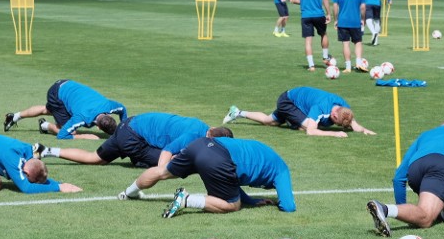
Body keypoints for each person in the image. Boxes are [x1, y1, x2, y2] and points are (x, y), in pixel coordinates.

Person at [118, 136, 296, 217]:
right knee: (233, 205)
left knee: (162, 171)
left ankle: (129, 192)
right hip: (219, 159)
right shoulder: (282, 171)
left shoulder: (268, 155)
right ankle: (187, 200)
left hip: (202, 144)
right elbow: (288, 206)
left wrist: (251, 200)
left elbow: (232, 180)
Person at [40, 113, 232, 168]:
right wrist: (161, 172)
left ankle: (48, 151)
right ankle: (139, 161)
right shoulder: (194, 136)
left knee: (96, 158)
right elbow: (167, 152)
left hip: (130, 124)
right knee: (178, 162)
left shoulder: (201, 125)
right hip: (133, 137)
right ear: (211, 137)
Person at [222, 86, 375, 138]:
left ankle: (237, 112)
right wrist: (335, 134)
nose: (339, 126)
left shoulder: (343, 107)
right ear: (334, 115)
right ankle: (292, 121)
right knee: (308, 125)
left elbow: (353, 123)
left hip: (297, 102)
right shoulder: (321, 108)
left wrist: (364, 130)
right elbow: (310, 132)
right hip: (288, 101)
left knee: (270, 121)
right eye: (338, 123)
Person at [4, 79, 127, 140]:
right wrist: (85, 136)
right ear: (98, 128)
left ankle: (14, 116)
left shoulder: (110, 105)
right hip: (57, 95)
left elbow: (123, 109)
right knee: (71, 131)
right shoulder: (82, 117)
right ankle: (45, 126)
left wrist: (123, 126)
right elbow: (62, 135)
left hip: (67, 84)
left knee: (46, 110)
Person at [290, 0, 334, 71]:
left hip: (306, 16)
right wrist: (328, 13)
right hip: (319, 14)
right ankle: (325, 57)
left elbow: (294, 0)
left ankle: (311, 66)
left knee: (308, 41)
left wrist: (304, 1)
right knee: (323, 34)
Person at [331, 0, 368, 73]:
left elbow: (335, 6)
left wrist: (336, 19)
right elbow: (363, 7)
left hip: (343, 21)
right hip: (355, 21)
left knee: (346, 43)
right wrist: (363, 19)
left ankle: (348, 67)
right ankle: (359, 63)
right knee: (358, 42)